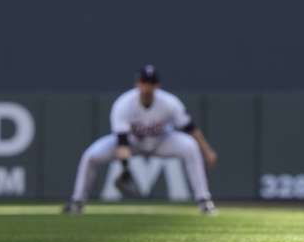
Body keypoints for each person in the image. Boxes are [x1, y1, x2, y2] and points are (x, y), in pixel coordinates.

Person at [63, 65, 218, 215]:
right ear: (137, 83)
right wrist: (125, 168)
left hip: (162, 141)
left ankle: (204, 200)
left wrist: (207, 150)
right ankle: (77, 201)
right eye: (144, 82)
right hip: (132, 143)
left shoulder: (170, 103)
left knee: (190, 146)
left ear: (157, 85)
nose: (146, 87)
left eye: (150, 83)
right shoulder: (123, 104)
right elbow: (122, 141)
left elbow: (190, 128)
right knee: (91, 155)